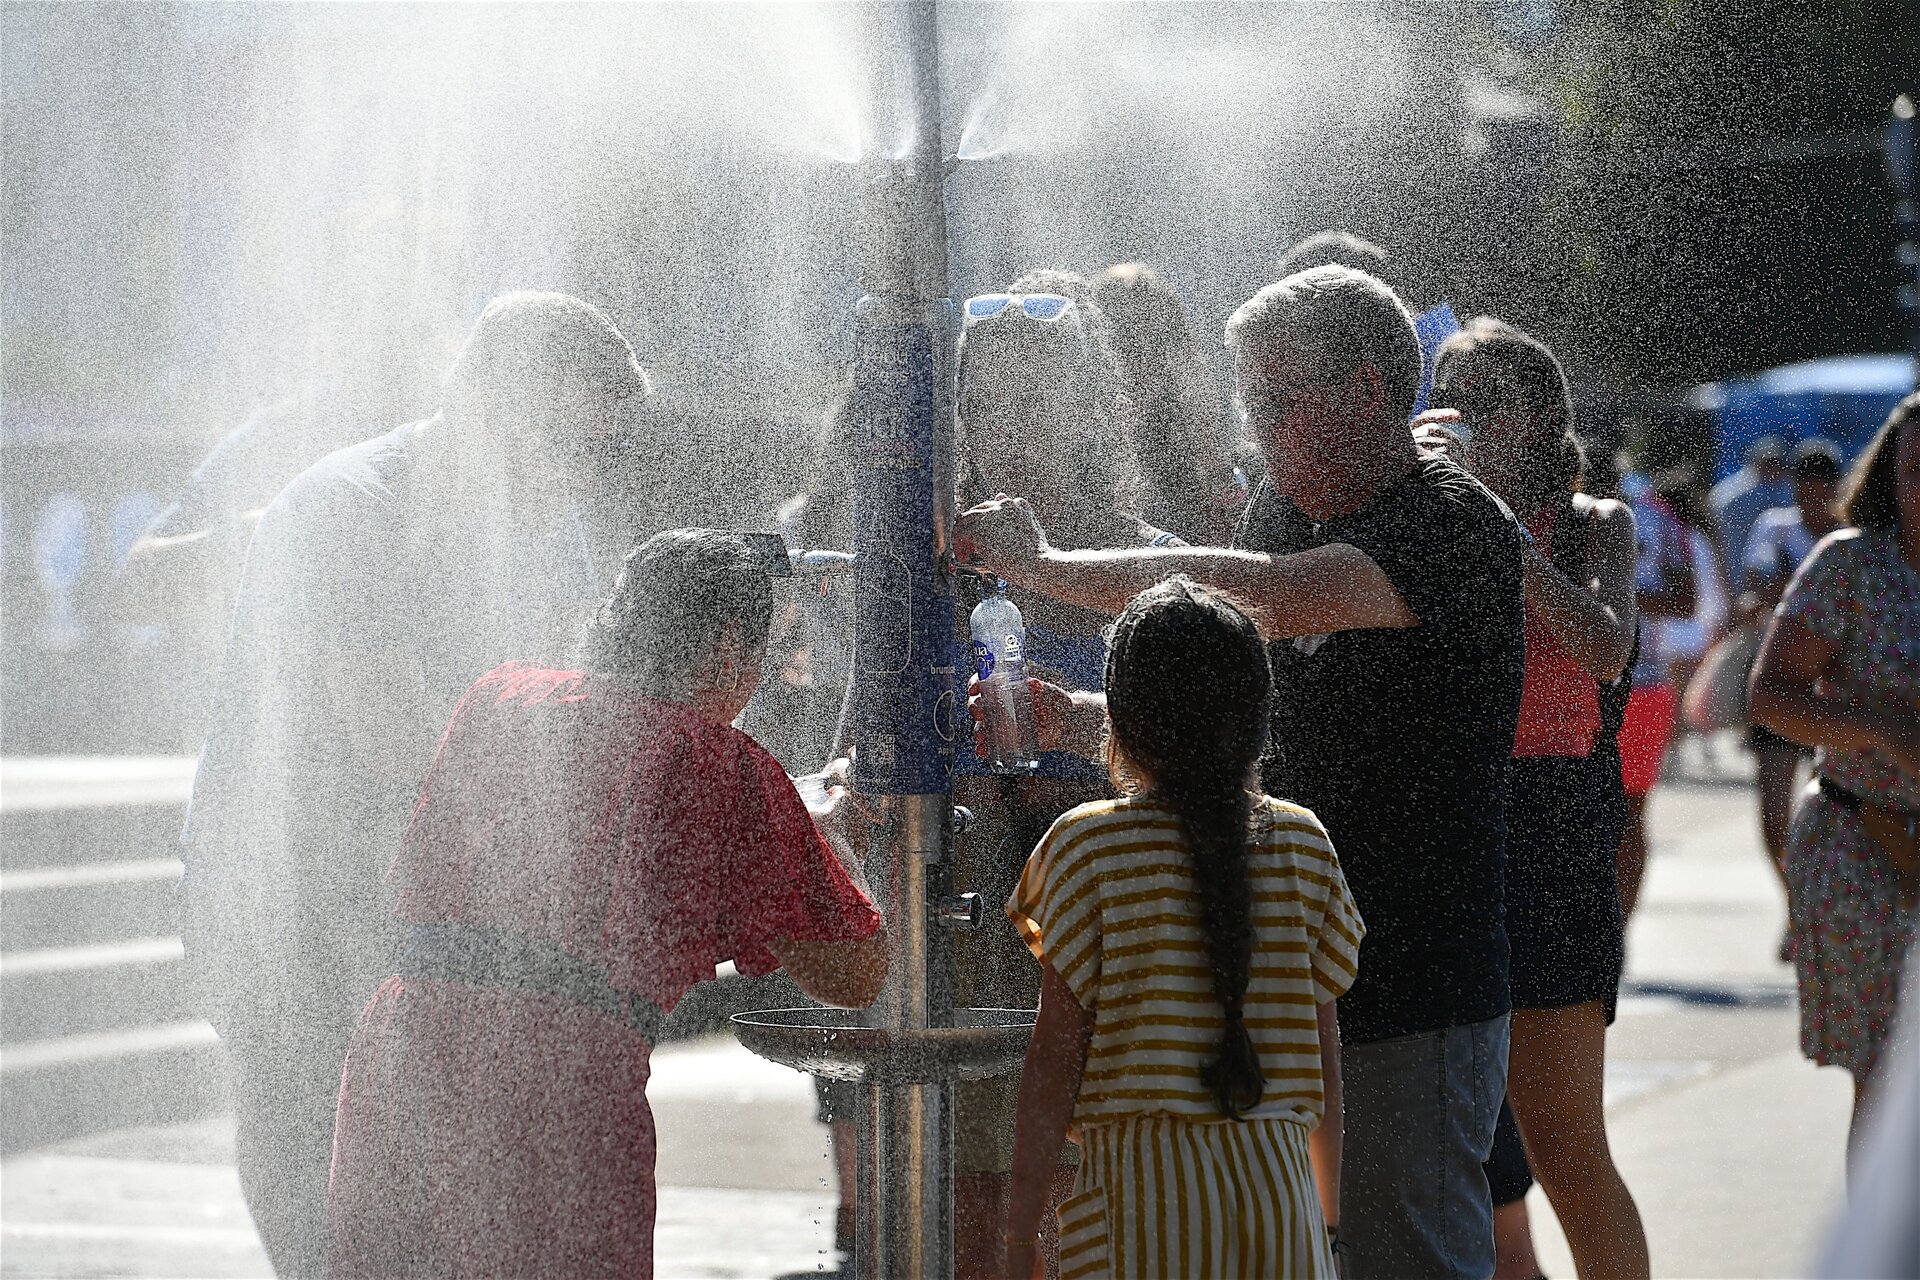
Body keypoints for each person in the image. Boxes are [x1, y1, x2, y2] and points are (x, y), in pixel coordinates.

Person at [957, 264, 1527, 1280]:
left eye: (1277, 400)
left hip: (1418, 981)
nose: (1258, 427)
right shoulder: (1283, 506)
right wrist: (1085, 716)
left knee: (1412, 1260)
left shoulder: (1453, 523)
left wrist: (1038, 565)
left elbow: (1270, 599)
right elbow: (1236, 717)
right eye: (1248, 402)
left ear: (1366, 388)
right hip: (1287, 980)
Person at [181, 292, 660, 1278]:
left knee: (431, 1204)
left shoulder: (541, 533)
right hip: (284, 899)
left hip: (414, 901)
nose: (578, 482)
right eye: (568, 446)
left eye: (599, 456)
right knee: (320, 1176)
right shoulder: (348, 508)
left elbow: (572, 704)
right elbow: (395, 730)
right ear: (485, 408)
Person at [325, 529, 887, 1278]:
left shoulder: (499, 699)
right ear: (726, 648)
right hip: (558, 1081)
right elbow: (853, 974)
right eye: (763, 655)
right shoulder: (719, 761)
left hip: (401, 1051)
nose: (757, 682)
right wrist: (840, 849)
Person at [1002, 577, 1363, 1280]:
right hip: (1280, 1205)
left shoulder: (1084, 850)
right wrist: (1326, 1225)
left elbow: (1053, 1064)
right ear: (1258, 718)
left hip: (1139, 1212)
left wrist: (1020, 1239)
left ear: (1119, 721)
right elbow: (1324, 1064)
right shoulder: (1305, 845)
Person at [946, 285, 1183, 1280]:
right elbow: (861, 762)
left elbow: (1224, 779)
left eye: (1035, 402)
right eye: (985, 404)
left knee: (1103, 1215)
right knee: (979, 1217)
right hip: (971, 948)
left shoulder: (1156, 569)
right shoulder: (935, 574)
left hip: (1122, 956)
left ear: (1089, 409)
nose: (1008, 432)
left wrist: (1077, 772)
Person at [1425, 317, 1650, 1278]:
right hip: (1445, 819)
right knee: (1459, 1156)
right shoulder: (1425, 516)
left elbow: (1606, 648)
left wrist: (1496, 527)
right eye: (1445, 403)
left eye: (1484, 406)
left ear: (1539, 417)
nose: (1462, 424)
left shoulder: (1597, 523)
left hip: (1551, 831)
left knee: (1565, 1149)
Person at [1749, 394, 1919, 1161]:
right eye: (1919, 470)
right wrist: (1882, 732)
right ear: (1893, 478)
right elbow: (1771, 696)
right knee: (1885, 1086)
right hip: (1865, 849)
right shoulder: (1851, 564)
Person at [1738, 438, 1844, 918]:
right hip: (1783, 683)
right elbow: (1754, 586)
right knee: (1774, 819)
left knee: (1831, 813)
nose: (1812, 500)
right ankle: (1797, 904)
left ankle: (1815, 904)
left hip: (1835, 689)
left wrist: (1789, 588)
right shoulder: (1776, 529)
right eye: (1805, 489)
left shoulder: (1851, 538)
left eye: (1821, 491)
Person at [1092, 262, 1242, 544]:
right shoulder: (1103, 459)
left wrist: (1207, 447)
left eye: (1154, 345)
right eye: (1127, 345)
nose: (1142, 362)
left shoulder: (1214, 449)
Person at [1614, 463, 1697, 920]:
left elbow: (1689, 603)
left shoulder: (1658, 518)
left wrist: (1616, 599)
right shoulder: (1557, 511)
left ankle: (1618, 936)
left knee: (1629, 818)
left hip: (1642, 687)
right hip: (1569, 688)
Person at [1711, 434, 1792, 592]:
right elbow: (1718, 540)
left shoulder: (1785, 490)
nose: (1773, 469)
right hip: (1736, 572)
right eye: (1769, 463)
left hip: (1770, 577)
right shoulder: (1732, 496)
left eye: (1776, 464)